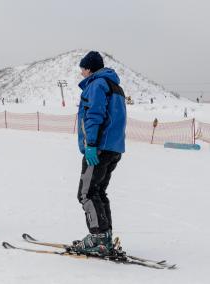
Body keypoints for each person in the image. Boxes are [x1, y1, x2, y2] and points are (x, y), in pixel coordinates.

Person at [71, 51, 126, 256]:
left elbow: (93, 115)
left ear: (90, 68)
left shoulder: (96, 85)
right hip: (114, 148)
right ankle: (106, 236)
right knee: (98, 192)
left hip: (99, 148)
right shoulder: (115, 86)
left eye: (83, 68)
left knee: (86, 193)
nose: (82, 73)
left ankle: (98, 238)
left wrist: (91, 144)